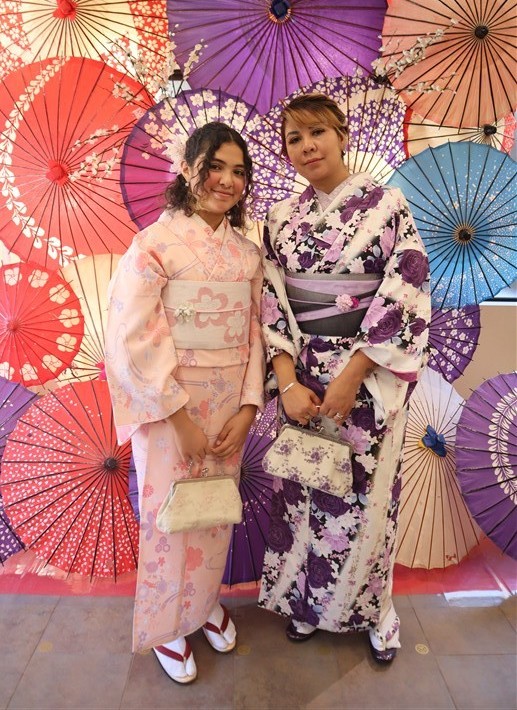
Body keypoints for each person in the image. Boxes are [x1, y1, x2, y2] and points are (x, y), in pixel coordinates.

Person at [258, 94, 430, 663]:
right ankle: (306, 605)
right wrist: (287, 380)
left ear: (341, 134)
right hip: (304, 377)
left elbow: (405, 287)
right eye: (294, 138)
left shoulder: (387, 205)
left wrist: (354, 372)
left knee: (366, 496)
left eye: (317, 132)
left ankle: (377, 611)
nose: (307, 146)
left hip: (369, 377)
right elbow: (271, 300)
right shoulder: (279, 219)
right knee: (303, 488)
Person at [105, 122, 264, 684]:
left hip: (227, 403)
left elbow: (255, 334)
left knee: (214, 510)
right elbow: (133, 335)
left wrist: (248, 408)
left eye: (238, 171)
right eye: (214, 166)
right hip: (170, 406)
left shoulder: (247, 253)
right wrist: (176, 416)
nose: (227, 181)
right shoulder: (153, 245)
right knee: (169, 513)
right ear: (188, 169)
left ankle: (203, 602)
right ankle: (167, 622)